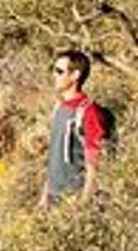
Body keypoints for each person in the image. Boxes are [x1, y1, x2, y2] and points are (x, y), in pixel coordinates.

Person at [43, 47, 108, 206]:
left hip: (73, 199)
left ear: (75, 75)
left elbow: (94, 164)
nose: (54, 75)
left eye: (59, 71)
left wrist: (82, 205)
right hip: (54, 196)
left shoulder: (89, 112)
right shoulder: (59, 107)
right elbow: (54, 157)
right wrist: (44, 197)